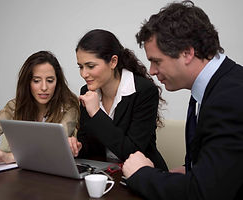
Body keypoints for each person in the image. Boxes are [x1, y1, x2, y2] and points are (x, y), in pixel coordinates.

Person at [122, 1, 243, 199]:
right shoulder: (214, 86)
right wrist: (188, 171)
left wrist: (142, 174)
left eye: (156, 61)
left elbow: (203, 193)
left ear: (187, 53)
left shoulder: (230, 99)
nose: (151, 71)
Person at [68, 29, 167, 171]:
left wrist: (96, 113)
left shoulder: (144, 91)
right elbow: (88, 143)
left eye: (90, 66)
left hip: (143, 175)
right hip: (105, 172)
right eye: (81, 67)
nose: (84, 74)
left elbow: (132, 151)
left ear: (113, 62)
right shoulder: (87, 91)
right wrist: (77, 146)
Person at [0, 51, 80, 169]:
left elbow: (52, 151)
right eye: (36, 81)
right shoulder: (14, 107)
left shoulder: (69, 107)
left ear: (57, 82)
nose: (44, 87)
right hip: (14, 180)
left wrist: (8, 157)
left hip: (52, 180)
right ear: (27, 82)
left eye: (50, 80)